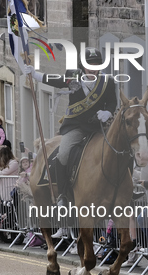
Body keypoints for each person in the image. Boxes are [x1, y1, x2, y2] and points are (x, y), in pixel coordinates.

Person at [23, 47, 117, 204]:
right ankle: (63, 194)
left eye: (96, 65)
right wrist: (34, 74)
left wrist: (108, 112)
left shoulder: (108, 81)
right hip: (76, 126)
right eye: (90, 65)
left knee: (119, 149)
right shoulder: (73, 75)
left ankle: (126, 188)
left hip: (99, 127)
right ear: (83, 65)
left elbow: (112, 102)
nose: (93, 69)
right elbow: (55, 79)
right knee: (64, 153)